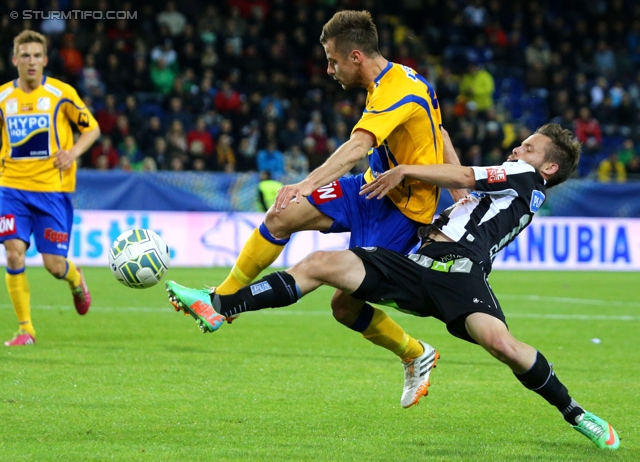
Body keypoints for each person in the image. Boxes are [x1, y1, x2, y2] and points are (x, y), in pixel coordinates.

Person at [165, 124, 619, 451]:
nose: (519, 149)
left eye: (529, 147)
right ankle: (220, 304)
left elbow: (460, 177)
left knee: (503, 345)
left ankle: (577, 414)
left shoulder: (525, 179)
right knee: (326, 273)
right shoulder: (505, 186)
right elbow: (462, 177)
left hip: (462, 276)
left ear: (549, 166)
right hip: (416, 264)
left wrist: (405, 171)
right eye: (521, 144)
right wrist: (434, 124)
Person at [213, 10, 463, 360]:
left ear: (355, 57)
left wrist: (305, 183)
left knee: (343, 307)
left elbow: (357, 148)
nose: (330, 70)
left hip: (403, 213)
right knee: (281, 214)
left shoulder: (397, 92)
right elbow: (441, 133)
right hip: (369, 189)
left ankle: (416, 353)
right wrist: (461, 195)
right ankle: (223, 298)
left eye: (333, 62)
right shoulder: (396, 80)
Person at [0, 30, 100, 346]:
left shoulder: (61, 93)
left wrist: (72, 153)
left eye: (36, 56)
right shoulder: (3, 98)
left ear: (45, 60)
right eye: (24, 55)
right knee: (13, 253)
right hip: (11, 189)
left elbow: (92, 129)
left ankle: (75, 278)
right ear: (14, 60)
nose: (31, 61)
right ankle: (25, 329)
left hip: (51, 192)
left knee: (54, 266)